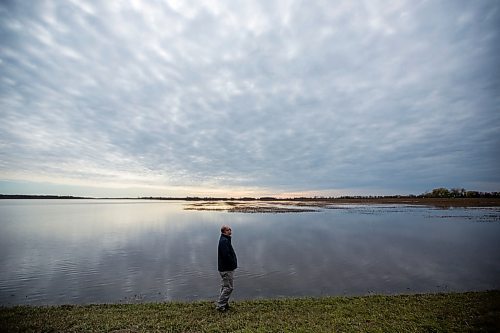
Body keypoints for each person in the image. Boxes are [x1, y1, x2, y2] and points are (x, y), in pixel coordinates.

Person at [216, 224, 237, 311]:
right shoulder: (224, 241)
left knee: (225, 286)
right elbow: (226, 256)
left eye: (230, 229)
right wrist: (232, 263)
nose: (230, 231)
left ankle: (224, 303)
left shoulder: (225, 240)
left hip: (225, 268)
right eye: (229, 230)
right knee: (229, 288)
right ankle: (221, 306)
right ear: (224, 231)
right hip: (226, 268)